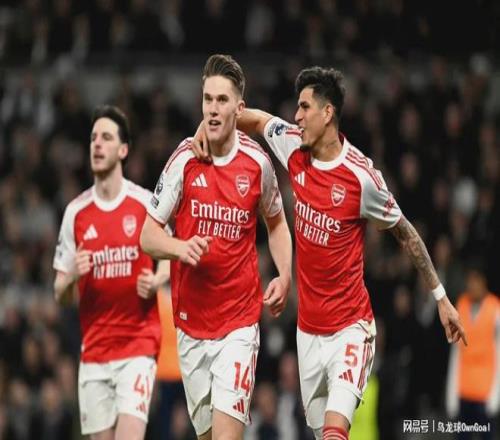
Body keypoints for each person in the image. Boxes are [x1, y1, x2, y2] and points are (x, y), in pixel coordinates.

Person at [192, 66, 467, 440]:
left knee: (335, 432)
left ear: (327, 113)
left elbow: (406, 234)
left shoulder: (361, 178)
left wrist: (441, 297)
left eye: (304, 107)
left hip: (350, 330)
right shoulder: (293, 146)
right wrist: (206, 128)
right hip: (308, 333)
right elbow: (254, 119)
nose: (296, 116)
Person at [140, 54, 292, 440]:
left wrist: (285, 274)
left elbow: (276, 223)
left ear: (239, 109)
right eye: (207, 99)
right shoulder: (184, 160)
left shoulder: (257, 164)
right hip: (191, 326)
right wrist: (179, 248)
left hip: (239, 323)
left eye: (222, 100)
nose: (212, 108)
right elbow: (147, 235)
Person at [53, 105, 169, 440]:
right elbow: (60, 295)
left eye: (106, 138)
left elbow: (171, 254)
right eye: (93, 138)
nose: (97, 145)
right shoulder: (76, 213)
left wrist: (158, 279)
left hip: (138, 346)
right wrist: (72, 275)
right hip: (94, 352)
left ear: (123, 150)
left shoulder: (144, 203)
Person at [446, 264, 499, 440]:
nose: (471, 285)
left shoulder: (495, 309)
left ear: (483, 281)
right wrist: (451, 393)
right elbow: (455, 354)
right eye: (469, 280)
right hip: (464, 391)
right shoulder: (461, 305)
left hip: (485, 393)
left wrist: (495, 394)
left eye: (475, 280)